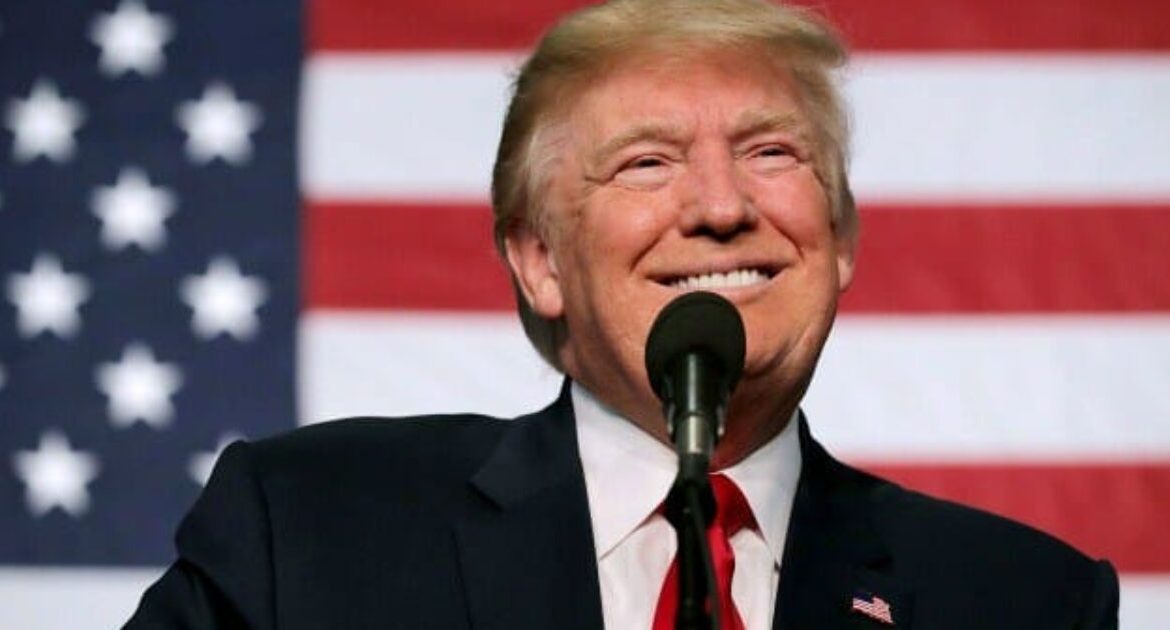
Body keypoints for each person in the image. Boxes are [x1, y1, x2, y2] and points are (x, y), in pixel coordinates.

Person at [126, 0, 1118, 628]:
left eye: (772, 152)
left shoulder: (1024, 602)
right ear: (540, 261)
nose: (722, 206)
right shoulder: (307, 531)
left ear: (842, 237)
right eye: (647, 162)